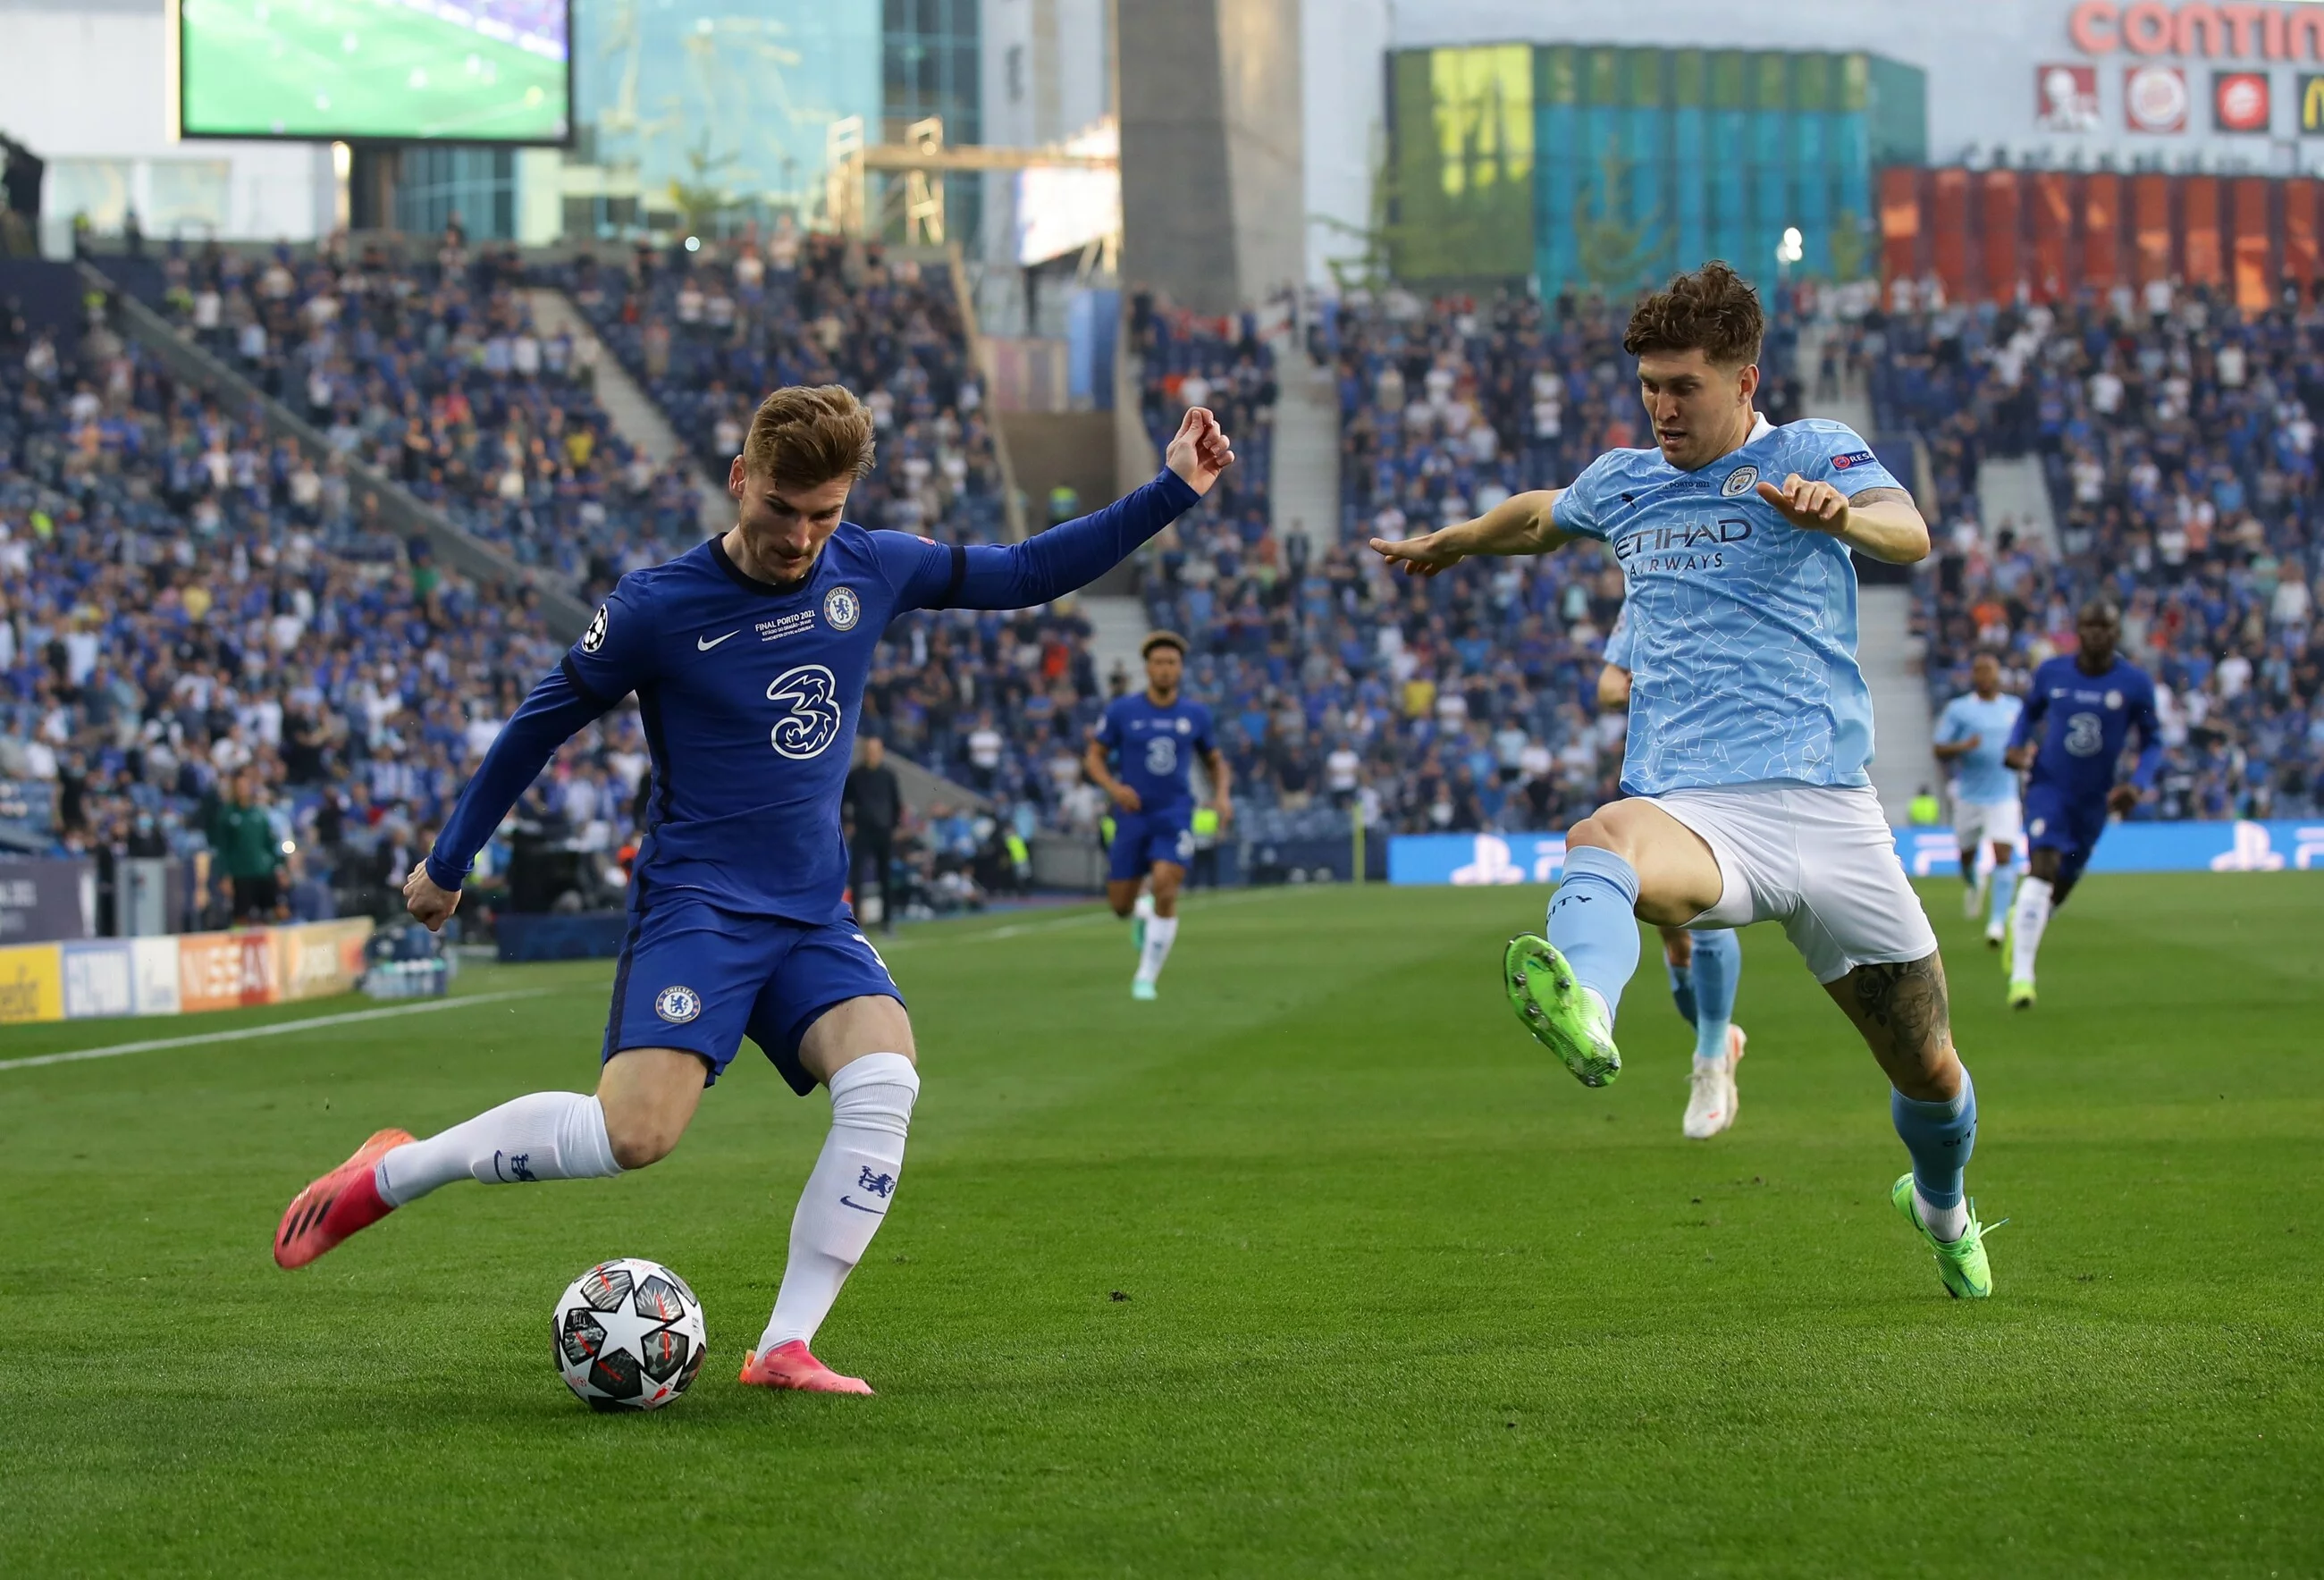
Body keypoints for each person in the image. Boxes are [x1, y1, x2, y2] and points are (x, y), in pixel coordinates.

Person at [271, 386, 1235, 1395]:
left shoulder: (872, 564)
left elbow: (1030, 570)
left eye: (823, 512)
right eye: (782, 509)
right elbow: (538, 722)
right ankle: (390, 1171)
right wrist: (449, 859)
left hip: (811, 911)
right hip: (698, 904)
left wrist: (1173, 487)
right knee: (630, 1136)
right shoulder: (658, 605)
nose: (802, 536)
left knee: (885, 1077)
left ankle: (784, 1344)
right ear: (741, 481)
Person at [1370, 262, 1996, 1299]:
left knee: (1928, 1069)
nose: (1661, 406)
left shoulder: (1810, 451)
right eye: (1650, 386)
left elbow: (1910, 533)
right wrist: (1457, 542)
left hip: (1831, 813)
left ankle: (1940, 1205)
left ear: (1744, 382)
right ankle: (1587, 1008)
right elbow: (1538, 517)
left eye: (1683, 386)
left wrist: (1835, 515)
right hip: (1697, 811)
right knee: (1601, 836)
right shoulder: (1625, 480)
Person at [1597, 608, 1747, 1140]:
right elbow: (1608, 686)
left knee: (1709, 916)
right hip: (1656, 773)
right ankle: (1717, 1036)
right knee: (1675, 941)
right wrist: (1643, 685)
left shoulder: (1732, 576)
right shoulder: (1647, 587)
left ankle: (1708, 1066)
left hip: (1728, 772)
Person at [2000, 600, 2160, 1010]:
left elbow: (2153, 740)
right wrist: (2015, 747)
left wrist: (2137, 785)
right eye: (2088, 625)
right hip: (2049, 788)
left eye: (2104, 626)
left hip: (2095, 800)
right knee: (2044, 865)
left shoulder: (2134, 683)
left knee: (2062, 884)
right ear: (2078, 630)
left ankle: (2024, 926)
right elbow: (2027, 713)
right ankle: (2022, 978)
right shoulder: (2052, 673)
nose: (2096, 634)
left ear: (2116, 632)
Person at [1082, 631, 1231, 1000]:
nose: (1165, 669)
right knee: (1119, 905)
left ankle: (1145, 977)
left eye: (1172, 663)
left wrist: (1223, 796)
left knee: (1167, 885)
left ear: (1180, 669)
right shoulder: (1122, 711)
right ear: (1148, 668)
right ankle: (1141, 913)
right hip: (1132, 814)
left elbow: (1215, 762)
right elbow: (1094, 756)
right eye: (1159, 663)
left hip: (1175, 812)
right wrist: (1114, 789)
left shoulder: (1195, 714)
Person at [1932, 651, 2025, 947]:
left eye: (1990, 670)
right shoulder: (1960, 710)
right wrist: (1964, 745)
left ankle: (1997, 923)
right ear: (1973, 676)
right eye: (1979, 670)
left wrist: (2025, 755)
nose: (1985, 676)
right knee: (1967, 857)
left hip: (2004, 793)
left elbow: (2025, 742)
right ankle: (1974, 884)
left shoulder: (2015, 708)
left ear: (1998, 675)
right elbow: (1939, 749)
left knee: (2004, 854)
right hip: (1970, 795)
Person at [843, 735, 903, 934]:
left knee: (885, 876)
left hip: (883, 832)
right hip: (862, 831)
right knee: (857, 877)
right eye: (869, 751)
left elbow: (896, 803)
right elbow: (843, 802)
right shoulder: (855, 776)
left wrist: (893, 825)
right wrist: (848, 823)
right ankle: (858, 920)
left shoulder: (888, 775)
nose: (872, 755)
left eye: (875, 751)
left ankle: (888, 921)